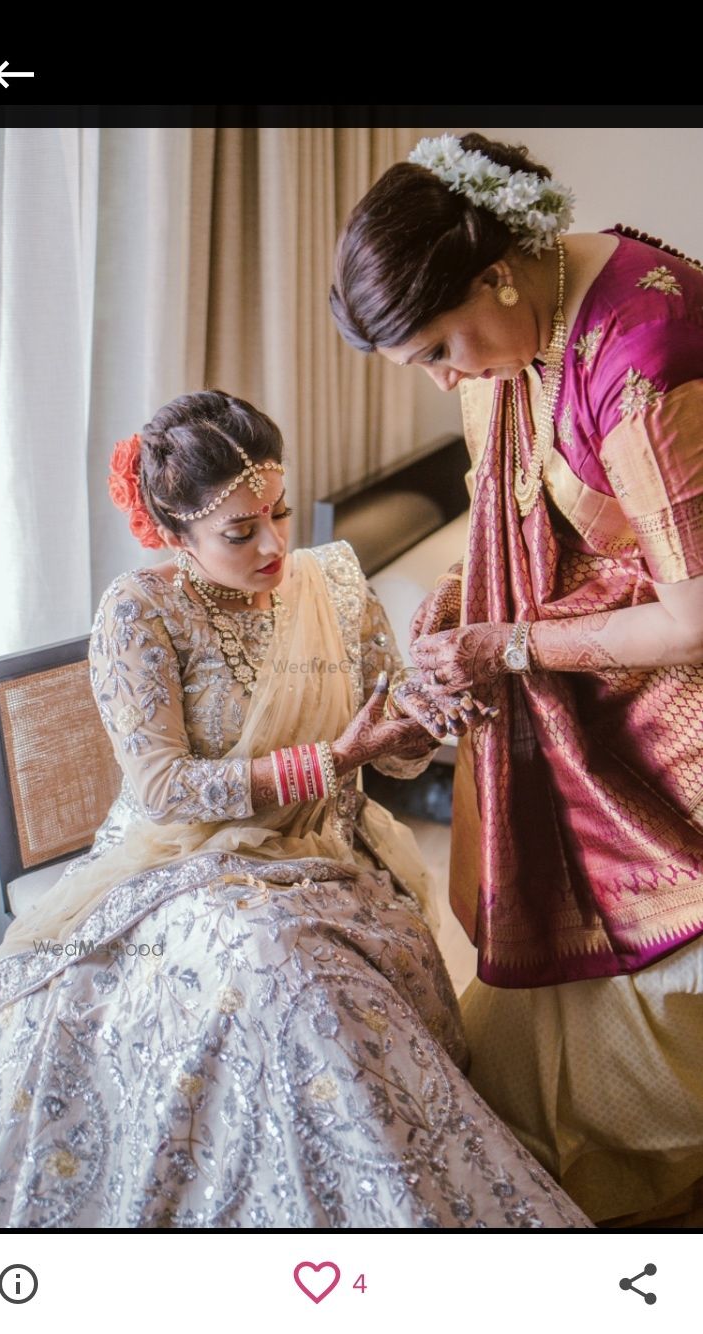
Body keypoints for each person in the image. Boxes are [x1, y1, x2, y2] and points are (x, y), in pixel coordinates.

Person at [0, 390, 589, 1229]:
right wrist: (334, 758)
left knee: (314, 977)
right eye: (239, 532)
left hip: (322, 848)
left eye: (279, 513)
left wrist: (430, 717)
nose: (275, 545)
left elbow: (387, 745)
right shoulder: (140, 612)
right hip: (180, 863)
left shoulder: (333, 582)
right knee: (275, 964)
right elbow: (165, 789)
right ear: (175, 533)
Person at [330, 131, 703, 1226]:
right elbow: (502, 516)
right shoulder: (510, 335)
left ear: (497, 269)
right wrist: (451, 619)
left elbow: (696, 611)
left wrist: (514, 647)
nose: (448, 378)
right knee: (519, 1029)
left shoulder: (643, 354)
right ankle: (566, 1178)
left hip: (679, 701)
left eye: (444, 348)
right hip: (602, 676)